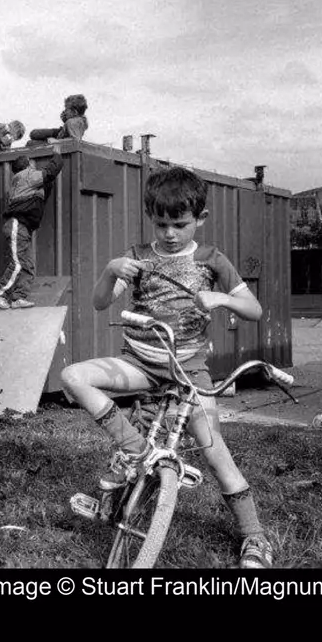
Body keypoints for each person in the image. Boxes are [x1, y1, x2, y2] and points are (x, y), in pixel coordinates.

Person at [59, 166, 273, 568]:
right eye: (161, 224)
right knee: (73, 376)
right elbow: (100, 302)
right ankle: (137, 451)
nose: (170, 234)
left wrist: (221, 299)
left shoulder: (212, 259)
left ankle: (254, 536)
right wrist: (110, 270)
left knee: (212, 449)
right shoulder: (137, 257)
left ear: (201, 219)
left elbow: (255, 310)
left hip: (188, 370)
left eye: (180, 224)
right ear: (151, 220)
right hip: (139, 362)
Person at [0, 153, 60, 310]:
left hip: (24, 228)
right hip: (17, 225)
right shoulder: (27, 176)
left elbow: (46, 185)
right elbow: (51, 171)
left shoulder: (25, 183)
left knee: (28, 265)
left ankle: (18, 298)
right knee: (18, 263)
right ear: (27, 165)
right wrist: (57, 153)